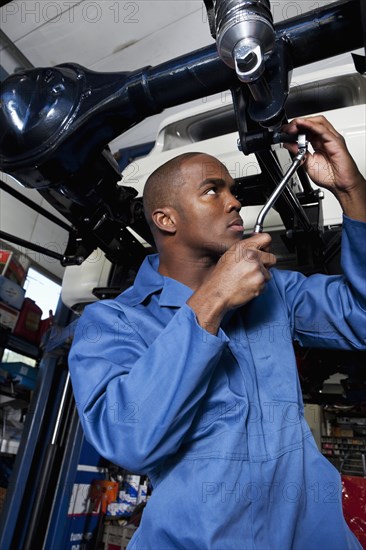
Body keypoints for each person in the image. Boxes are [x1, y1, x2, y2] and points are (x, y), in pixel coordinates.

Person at [68, 115, 366, 549]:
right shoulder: (113, 322)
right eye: (213, 190)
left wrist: (350, 191)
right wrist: (212, 301)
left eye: (233, 190)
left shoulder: (275, 292)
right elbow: (127, 439)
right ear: (166, 219)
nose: (234, 202)